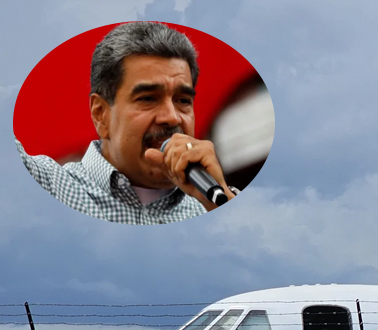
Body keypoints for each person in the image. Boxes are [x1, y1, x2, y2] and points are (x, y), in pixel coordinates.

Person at [16, 22, 235, 224]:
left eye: (183, 101)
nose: (172, 117)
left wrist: (216, 204)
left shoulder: (222, 203)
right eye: (148, 98)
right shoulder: (45, 184)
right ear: (101, 114)